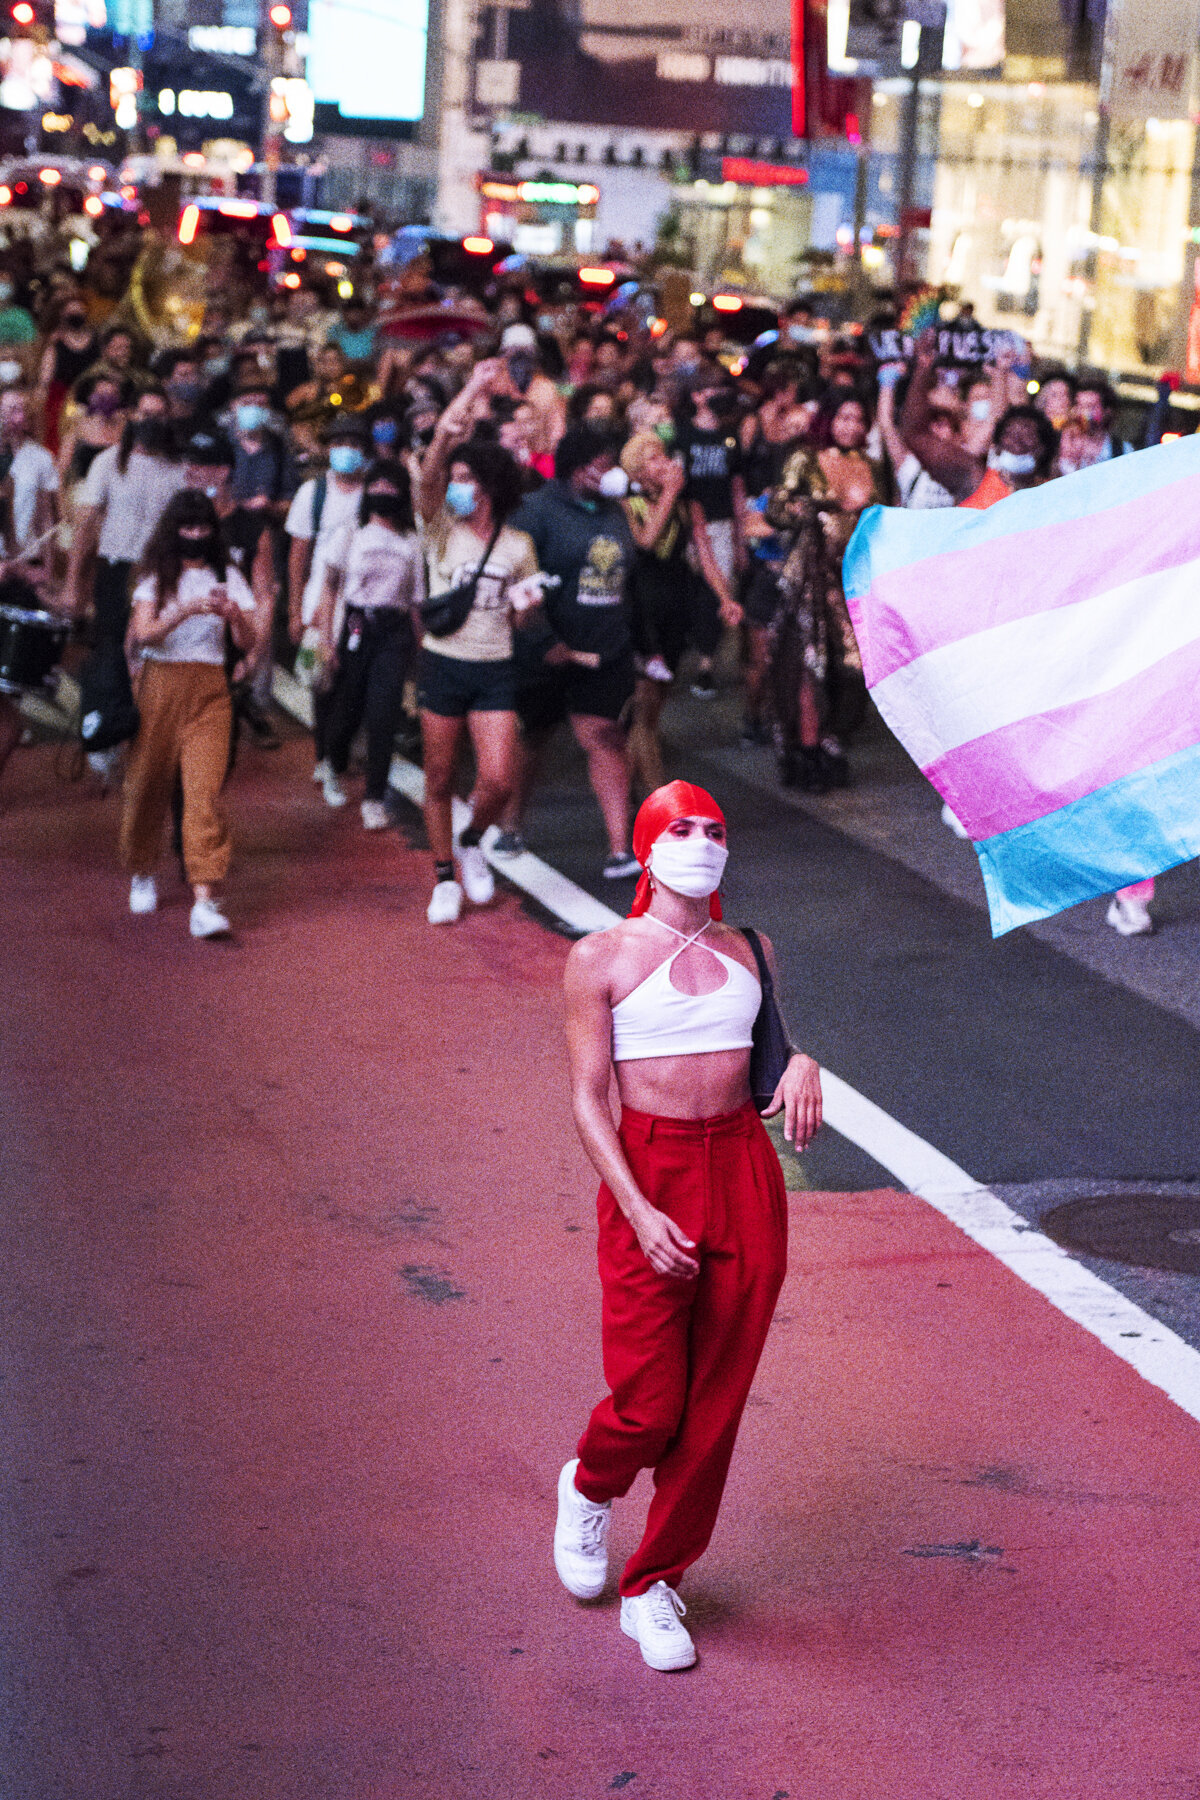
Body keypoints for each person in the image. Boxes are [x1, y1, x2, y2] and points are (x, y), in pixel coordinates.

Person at [556, 780, 822, 1670]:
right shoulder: (600, 957)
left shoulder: (753, 947)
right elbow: (590, 1102)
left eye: (714, 829)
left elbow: (770, 1065)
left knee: (715, 1398)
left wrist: (803, 1065)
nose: (701, 842)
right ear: (646, 846)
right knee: (649, 1403)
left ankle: (654, 1582)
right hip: (652, 1173)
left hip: (742, 1168)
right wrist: (636, 1206)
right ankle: (590, 1484)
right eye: (682, 828)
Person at [416, 378, 543, 923]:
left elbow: (523, 614)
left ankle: (471, 839)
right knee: (439, 776)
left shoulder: (518, 545)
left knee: (497, 778)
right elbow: (425, 478)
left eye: (466, 479)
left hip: (495, 667)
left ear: (490, 485)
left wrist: (528, 603)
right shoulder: (440, 529)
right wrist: (448, 435)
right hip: (443, 662)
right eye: (454, 478)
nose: (455, 487)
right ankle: (445, 876)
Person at [505, 424, 641, 879]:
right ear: (578, 470)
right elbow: (519, 582)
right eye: (601, 466)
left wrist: (640, 641)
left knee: (604, 734)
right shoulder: (535, 512)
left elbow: (630, 578)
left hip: (604, 648)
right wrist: (545, 642)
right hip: (547, 650)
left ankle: (621, 849)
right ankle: (510, 824)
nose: (609, 474)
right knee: (533, 737)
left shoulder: (614, 511)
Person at [121, 491, 257, 938]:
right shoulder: (157, 578)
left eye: (203, 529)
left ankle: (204, 898)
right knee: (146, 781)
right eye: (188, 528)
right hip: (160, 684)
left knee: (205, 792)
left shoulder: (228, 575)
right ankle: (142, 867)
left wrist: (234, 615)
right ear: (173, 530)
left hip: (210, 688)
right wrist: (183, 610)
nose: (195, 536)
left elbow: (250, 638)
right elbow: (144, 634)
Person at [767, 393, 883, 790]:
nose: (850, 426)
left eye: (858, 419)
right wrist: (820, 504)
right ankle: (806, 751)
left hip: (856, 580)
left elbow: (886, 521)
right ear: (830, 420)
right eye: (843, 417)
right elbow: (776, 511)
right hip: (809, 577)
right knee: (807, 666)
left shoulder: (872, 466)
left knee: (855, 667)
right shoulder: (805, 459)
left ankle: (833, 740)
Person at [620, 430, 738, 793]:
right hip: (641, 609)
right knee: (644, 700)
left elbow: (705, 557)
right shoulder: (627, 505)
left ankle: (627, 781)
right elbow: (646, 542)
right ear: (637, 470)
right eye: (654, 458)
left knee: (655, 705)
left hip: (676, 607)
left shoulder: (691, 506)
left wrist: (725, 598)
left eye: (664, 456)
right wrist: (670, 492)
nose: (665, 463)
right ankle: (652, 791)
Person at [316, 462, 424, 829]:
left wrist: (422, 652)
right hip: (356, 625)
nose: (383, 492)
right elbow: (330, 589)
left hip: (393, 632)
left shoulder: (412, 541)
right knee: (348, 706)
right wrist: (326, 640)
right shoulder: (349, 535)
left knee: (384, 713)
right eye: (376, 485)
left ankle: (375, 796)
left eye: (390, 486)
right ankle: (332, 763)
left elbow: (415, 601)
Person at [285, 418, 369, 801]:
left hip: (363, 602)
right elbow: (297, 556)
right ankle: (326, 756)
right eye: (339, 442)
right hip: (319, 603)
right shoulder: (312, 494)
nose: (346, 449)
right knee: (323, 684)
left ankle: (337, 750)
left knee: (355, 685)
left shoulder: (374, 494)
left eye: (353, 442)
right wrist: (293, 611)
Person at [676, 376, 746, 699]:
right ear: (697, 395)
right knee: (691, 590)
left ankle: (706, 665)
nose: (719, 395)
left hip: (720, 524)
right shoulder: (682, 434)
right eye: (711, 389)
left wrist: (739, 535)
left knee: (716, 593)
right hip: (685, 525)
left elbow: (736, 487)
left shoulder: (730, 436)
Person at [0, 387, 59, 558]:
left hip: (24, 556)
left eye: (17, 409)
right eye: (5, 409)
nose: (7, 417)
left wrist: (47, 570)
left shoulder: (41, 458)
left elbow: (45, 516)